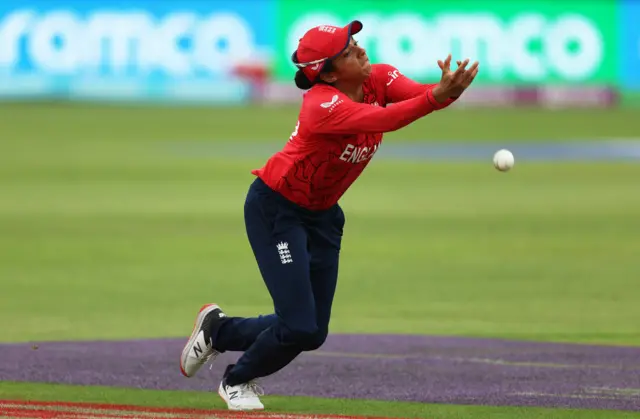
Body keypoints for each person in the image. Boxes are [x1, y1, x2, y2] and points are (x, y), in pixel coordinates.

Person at [178, 20, 479, 411]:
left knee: (312, 330)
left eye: (355, 42)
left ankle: (219, 330)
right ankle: (236, 380)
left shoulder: (380, 78)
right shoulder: (322, 106)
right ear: (329, 72)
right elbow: (385, 119)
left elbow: (424, 96)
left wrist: (447, 91)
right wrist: (438, 98)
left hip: (322, 216)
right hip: (276, 210)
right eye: (349, 51)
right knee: (298, 324)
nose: (360, 49)